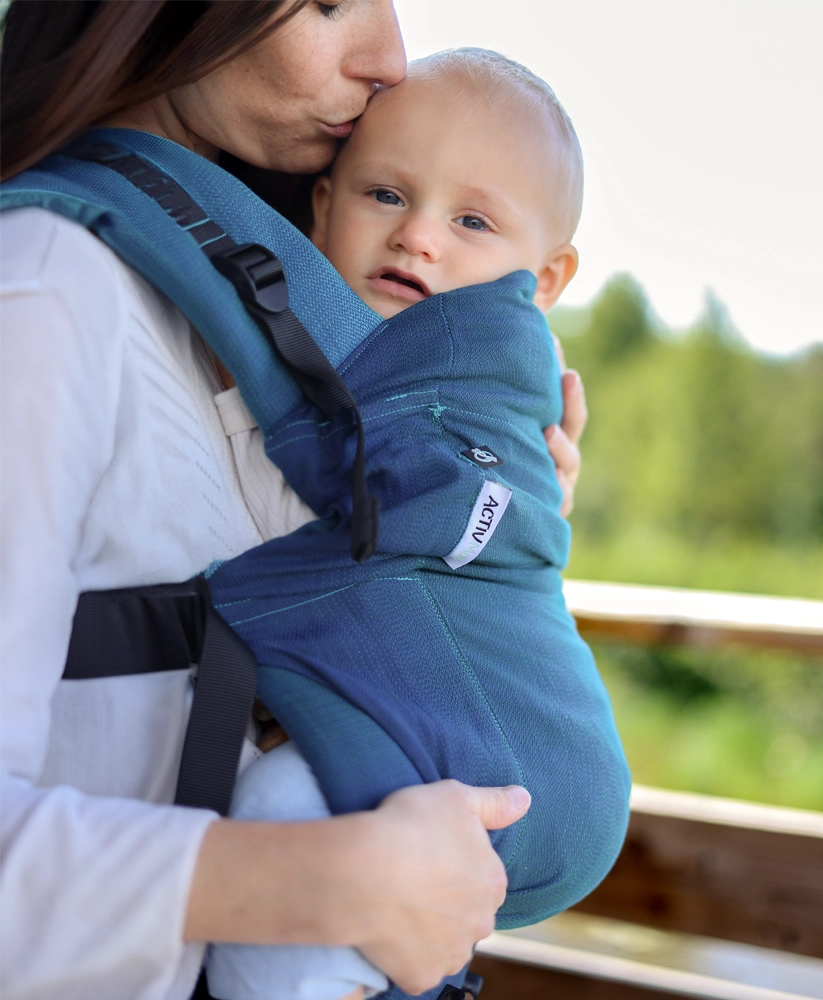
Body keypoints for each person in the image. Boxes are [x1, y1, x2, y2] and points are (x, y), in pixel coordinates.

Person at [0, 3, 588, 999]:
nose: (387, 57)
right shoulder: (47, 283)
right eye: (325, 2)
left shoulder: (266, 307)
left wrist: (493, 542)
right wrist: (332, 882)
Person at [205, 49, 630, 1000]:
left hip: (502, 755)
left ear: (547, 277)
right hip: (417, 751)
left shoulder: (479, 389)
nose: (420, 238)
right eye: (386, 195)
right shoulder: (302, 341)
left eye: (472, 220)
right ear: (320, 208)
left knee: (287, 816)